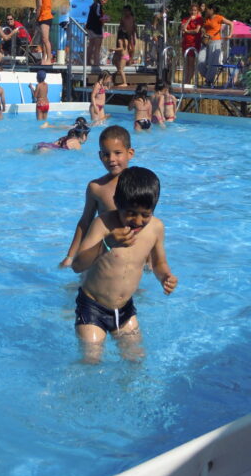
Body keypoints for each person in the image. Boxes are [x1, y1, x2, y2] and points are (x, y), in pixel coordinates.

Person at [71, 166, 176, 362]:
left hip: (125, 309)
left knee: (136, 360)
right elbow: (77, 265)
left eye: (146, 214)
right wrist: (106, 244)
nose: (137, 221)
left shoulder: (156, 228)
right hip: (92, 307)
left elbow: (159, 263)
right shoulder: (103, 224)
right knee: (91, 360)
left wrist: (165, 277)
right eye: (130, 213)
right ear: (117, 204)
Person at [59, 125, 135, 269]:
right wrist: (70, 256)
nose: (111, 159)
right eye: (106, 154)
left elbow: (146, 221)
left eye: (117, 153)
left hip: (131, 253)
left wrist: (150, 258)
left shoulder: (140, 185)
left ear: (130, 153)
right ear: (100, 156)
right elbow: (85, 222)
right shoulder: (97, 187)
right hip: (103, 252)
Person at [198, 5, 234, 87]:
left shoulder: (219, 17)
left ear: (212, 10)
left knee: (212, 62)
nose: (206, 11)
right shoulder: (206, 18)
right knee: (200, 61)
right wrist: (203, 32)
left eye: (208, 9)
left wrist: (230, 34)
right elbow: (203, 28)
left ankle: (208, 81)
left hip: (215, 41)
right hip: (205, 41)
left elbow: (231, 23)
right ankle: (209, 77)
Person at [180, 4, 203, 85]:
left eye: (195, 10)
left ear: (197, 11)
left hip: (194, 43)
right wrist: (189, 19)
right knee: (186, 63)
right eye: (192, 10)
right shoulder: (185, 19)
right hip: (186, 43)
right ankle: (186, 80)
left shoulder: (199, 19)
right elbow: (183, 28)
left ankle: (188, 81)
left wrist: (187, 31)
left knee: (191, 63)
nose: (193, 12)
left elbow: (196, 31)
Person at [33, 0, 53, 65]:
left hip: (44, 17)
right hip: (48, 17)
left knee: (45, 39)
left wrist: (36, 18)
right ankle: (44, 59)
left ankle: (49, 58)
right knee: (43, 40)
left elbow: (39, 7)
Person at [85, 0, 109, 66]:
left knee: (91, 45)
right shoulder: (98, 5)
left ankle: (87, 61)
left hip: (90, 26)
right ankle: (96, 62)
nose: (104, 2)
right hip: (95, 28)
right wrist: (105, 18)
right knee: (97, 45)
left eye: (106, 1)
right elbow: (98, 16)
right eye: (104, 0)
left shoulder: (94, 4)